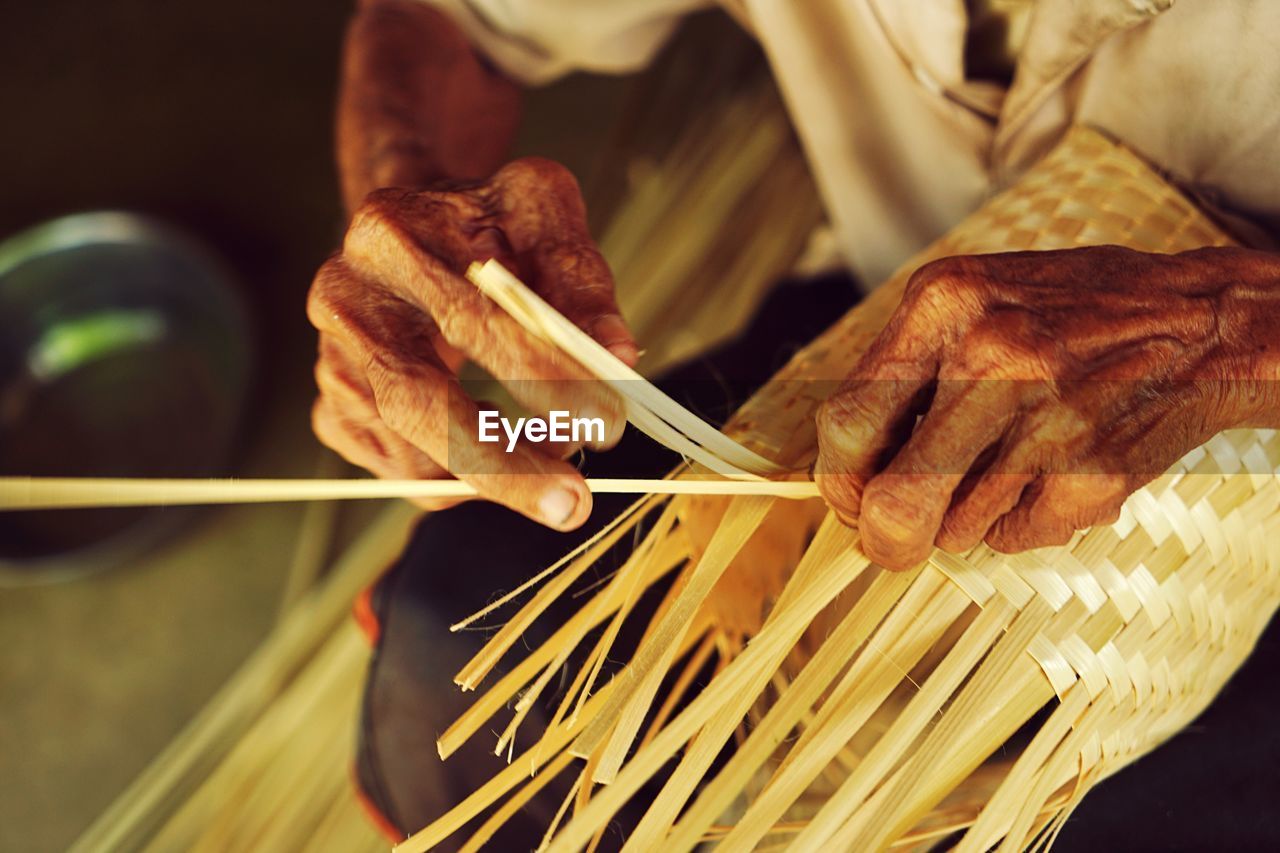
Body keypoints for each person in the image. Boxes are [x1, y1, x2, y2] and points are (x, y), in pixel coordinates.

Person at [305, 0, 1280, 843]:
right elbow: (450, 29)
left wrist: (1230, 336)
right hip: (883, 309)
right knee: (475, 680)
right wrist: (412, 215)